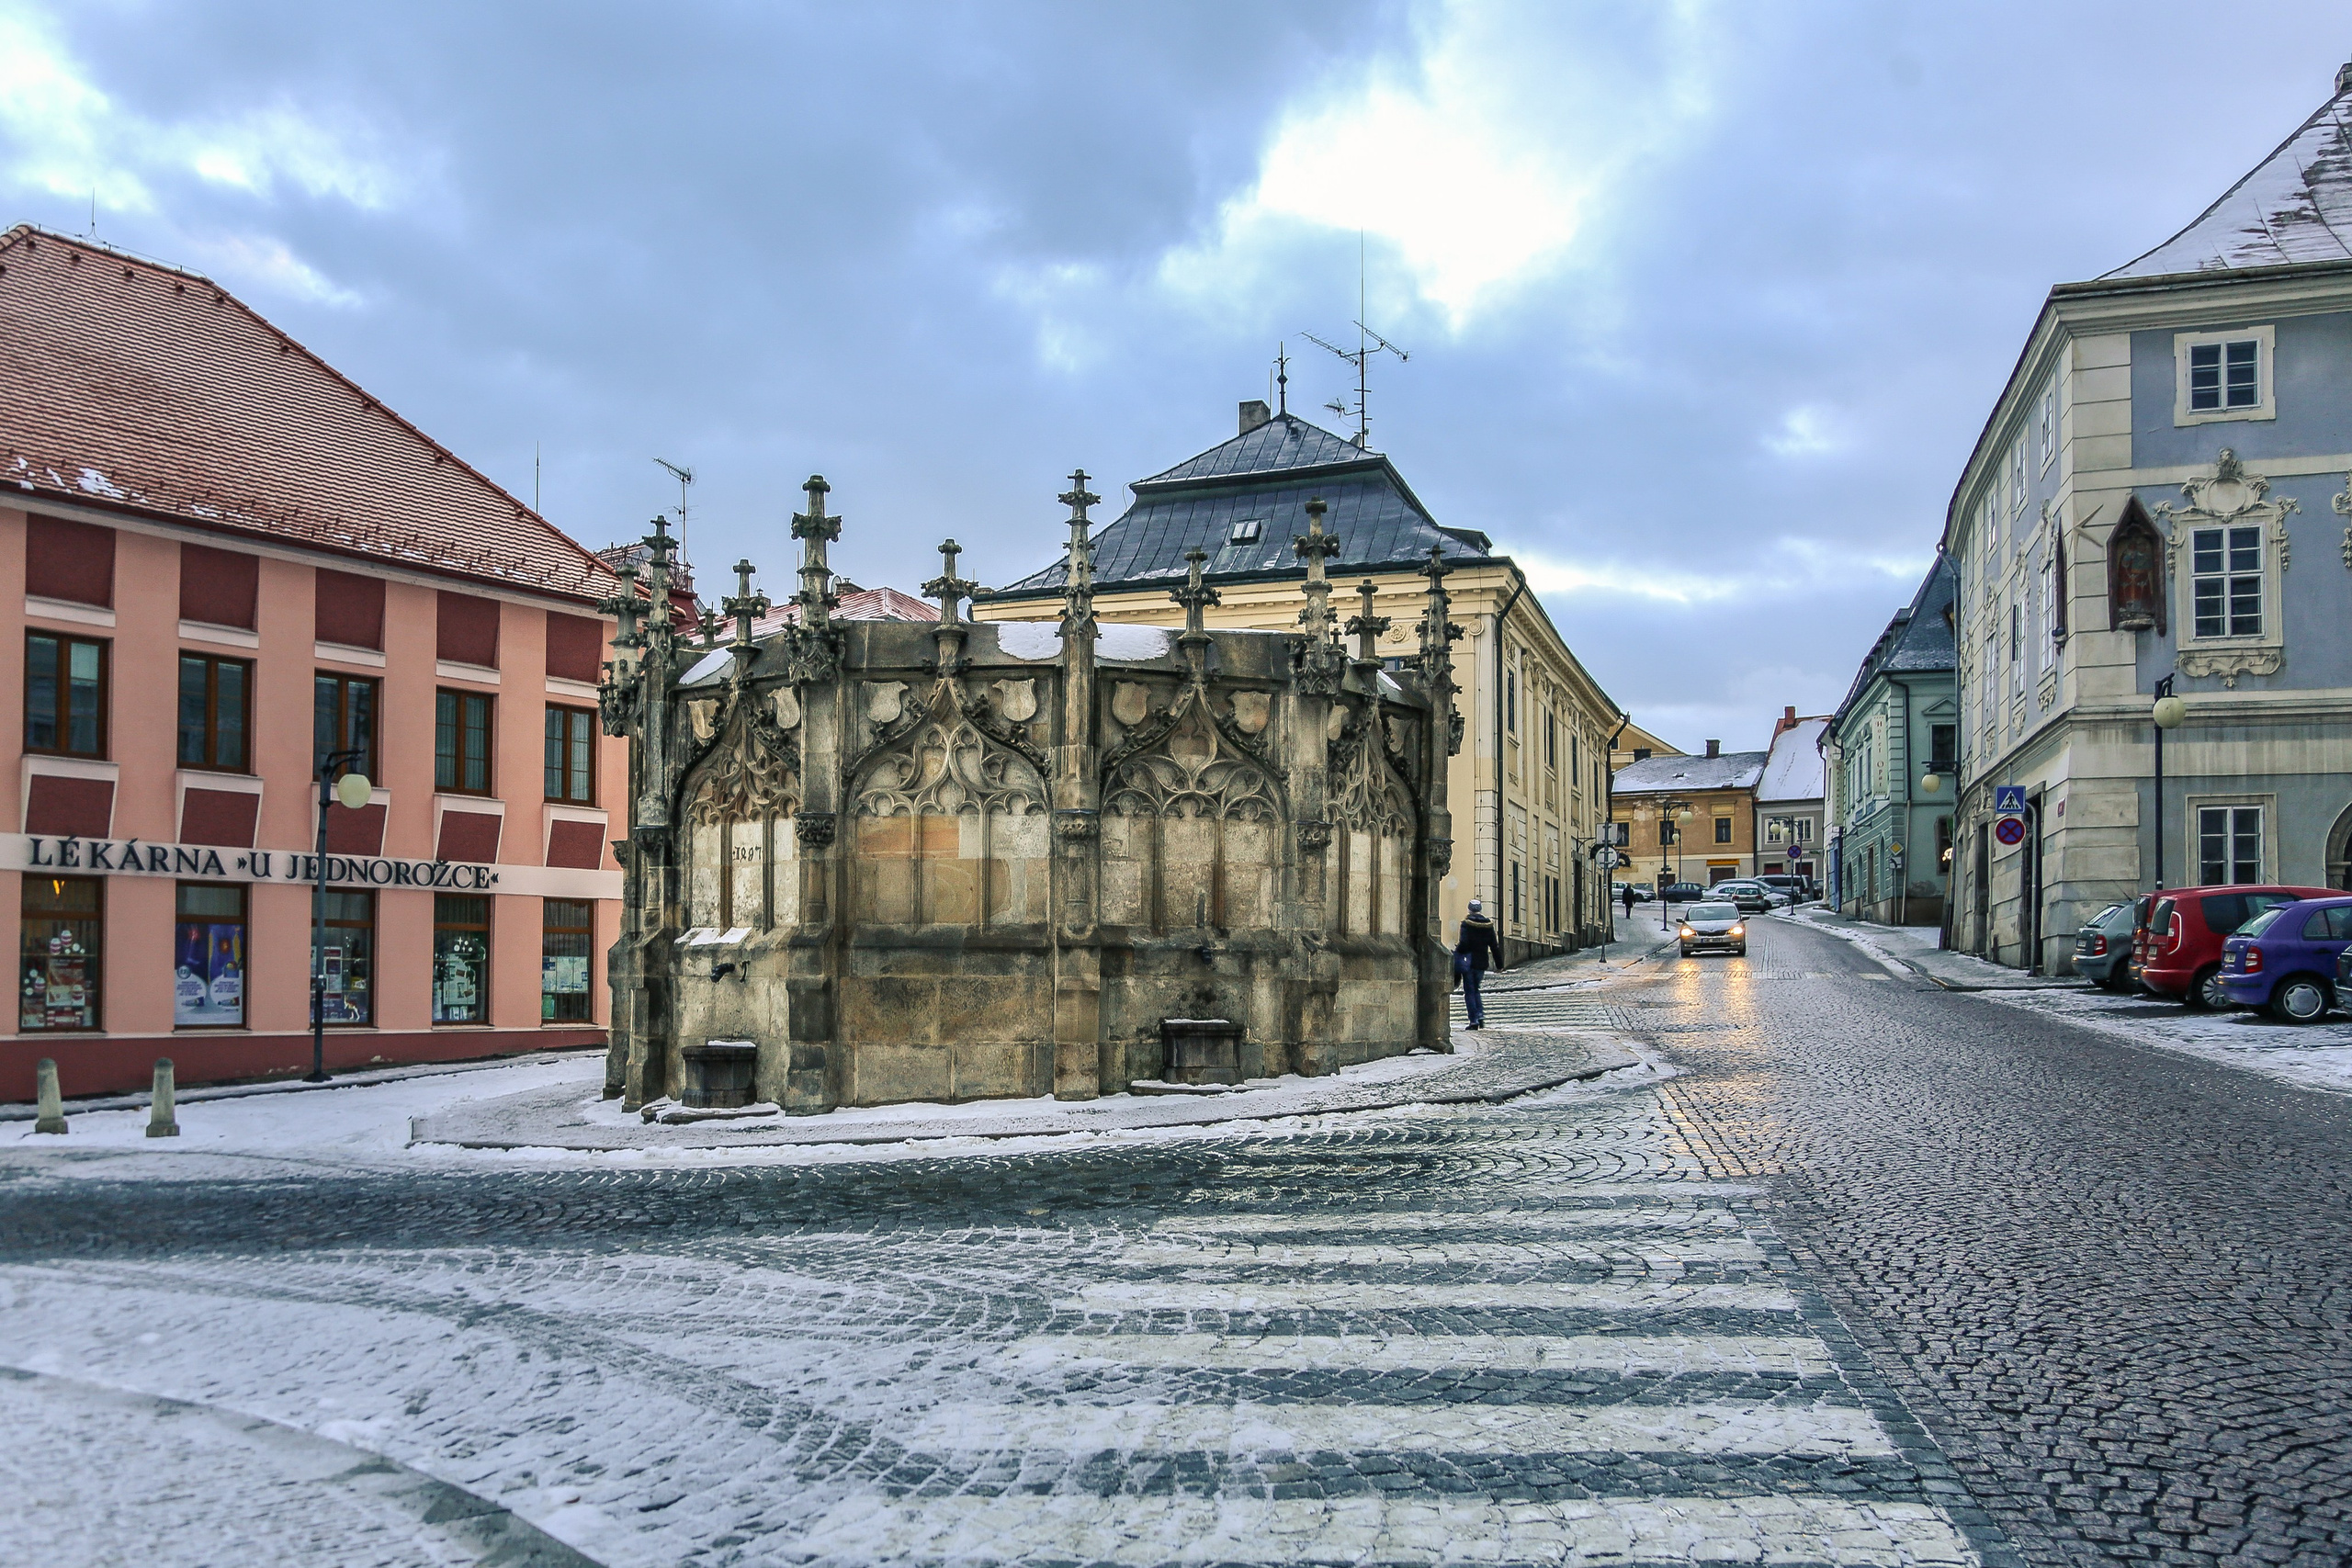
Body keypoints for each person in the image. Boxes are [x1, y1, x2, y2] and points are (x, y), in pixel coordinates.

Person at [1454, 898, 1504, 1028]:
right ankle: (1480, 1014)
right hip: (1482, 962)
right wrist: (1499, 964)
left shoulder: (1466, 924)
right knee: (1476, 989)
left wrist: (1457, 951)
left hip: (1469, 962)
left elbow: (1464, 943)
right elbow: (1494, 946)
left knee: (1469, 991)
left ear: (1469, 909)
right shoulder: (1488, 925)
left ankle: (1474, 1020)